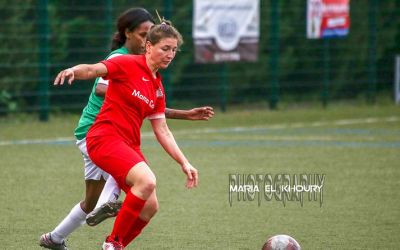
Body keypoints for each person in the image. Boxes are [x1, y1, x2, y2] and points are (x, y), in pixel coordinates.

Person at [39, 8, 213, 250]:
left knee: (151, 206)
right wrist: (73, 71)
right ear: (148, 46)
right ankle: (112, 242)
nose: (170, 54)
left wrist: (184, 163)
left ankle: (111, 242)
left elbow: (162, 129)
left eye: (174, 50)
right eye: (165, 48)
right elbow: (92, 70)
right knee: (147, 181)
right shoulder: (125, 62)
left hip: (128, 145)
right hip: (104, 138)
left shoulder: (157, 87)